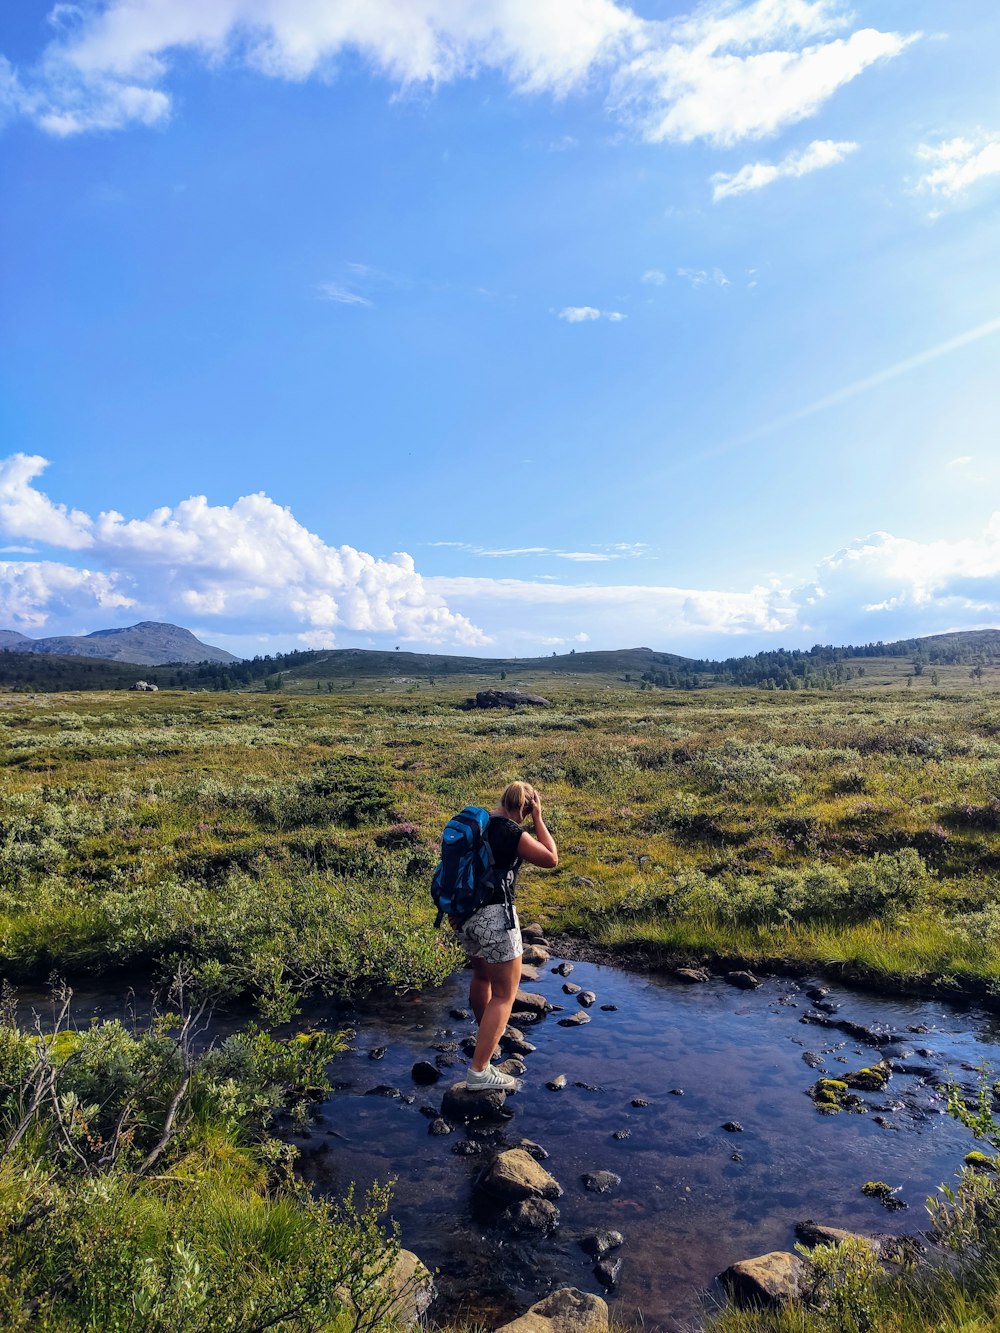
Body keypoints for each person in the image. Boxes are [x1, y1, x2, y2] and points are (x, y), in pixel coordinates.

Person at [457, 781, 558, 1092]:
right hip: (495, 918)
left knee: (482, 977)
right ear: (525, 809)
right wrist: (540, 819)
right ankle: (479, 1071)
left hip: (465, 916)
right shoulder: (511, 832)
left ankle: (485, 1041)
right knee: (505, 993)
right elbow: (551, 858)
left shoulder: (478, 824)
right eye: (529, 812)